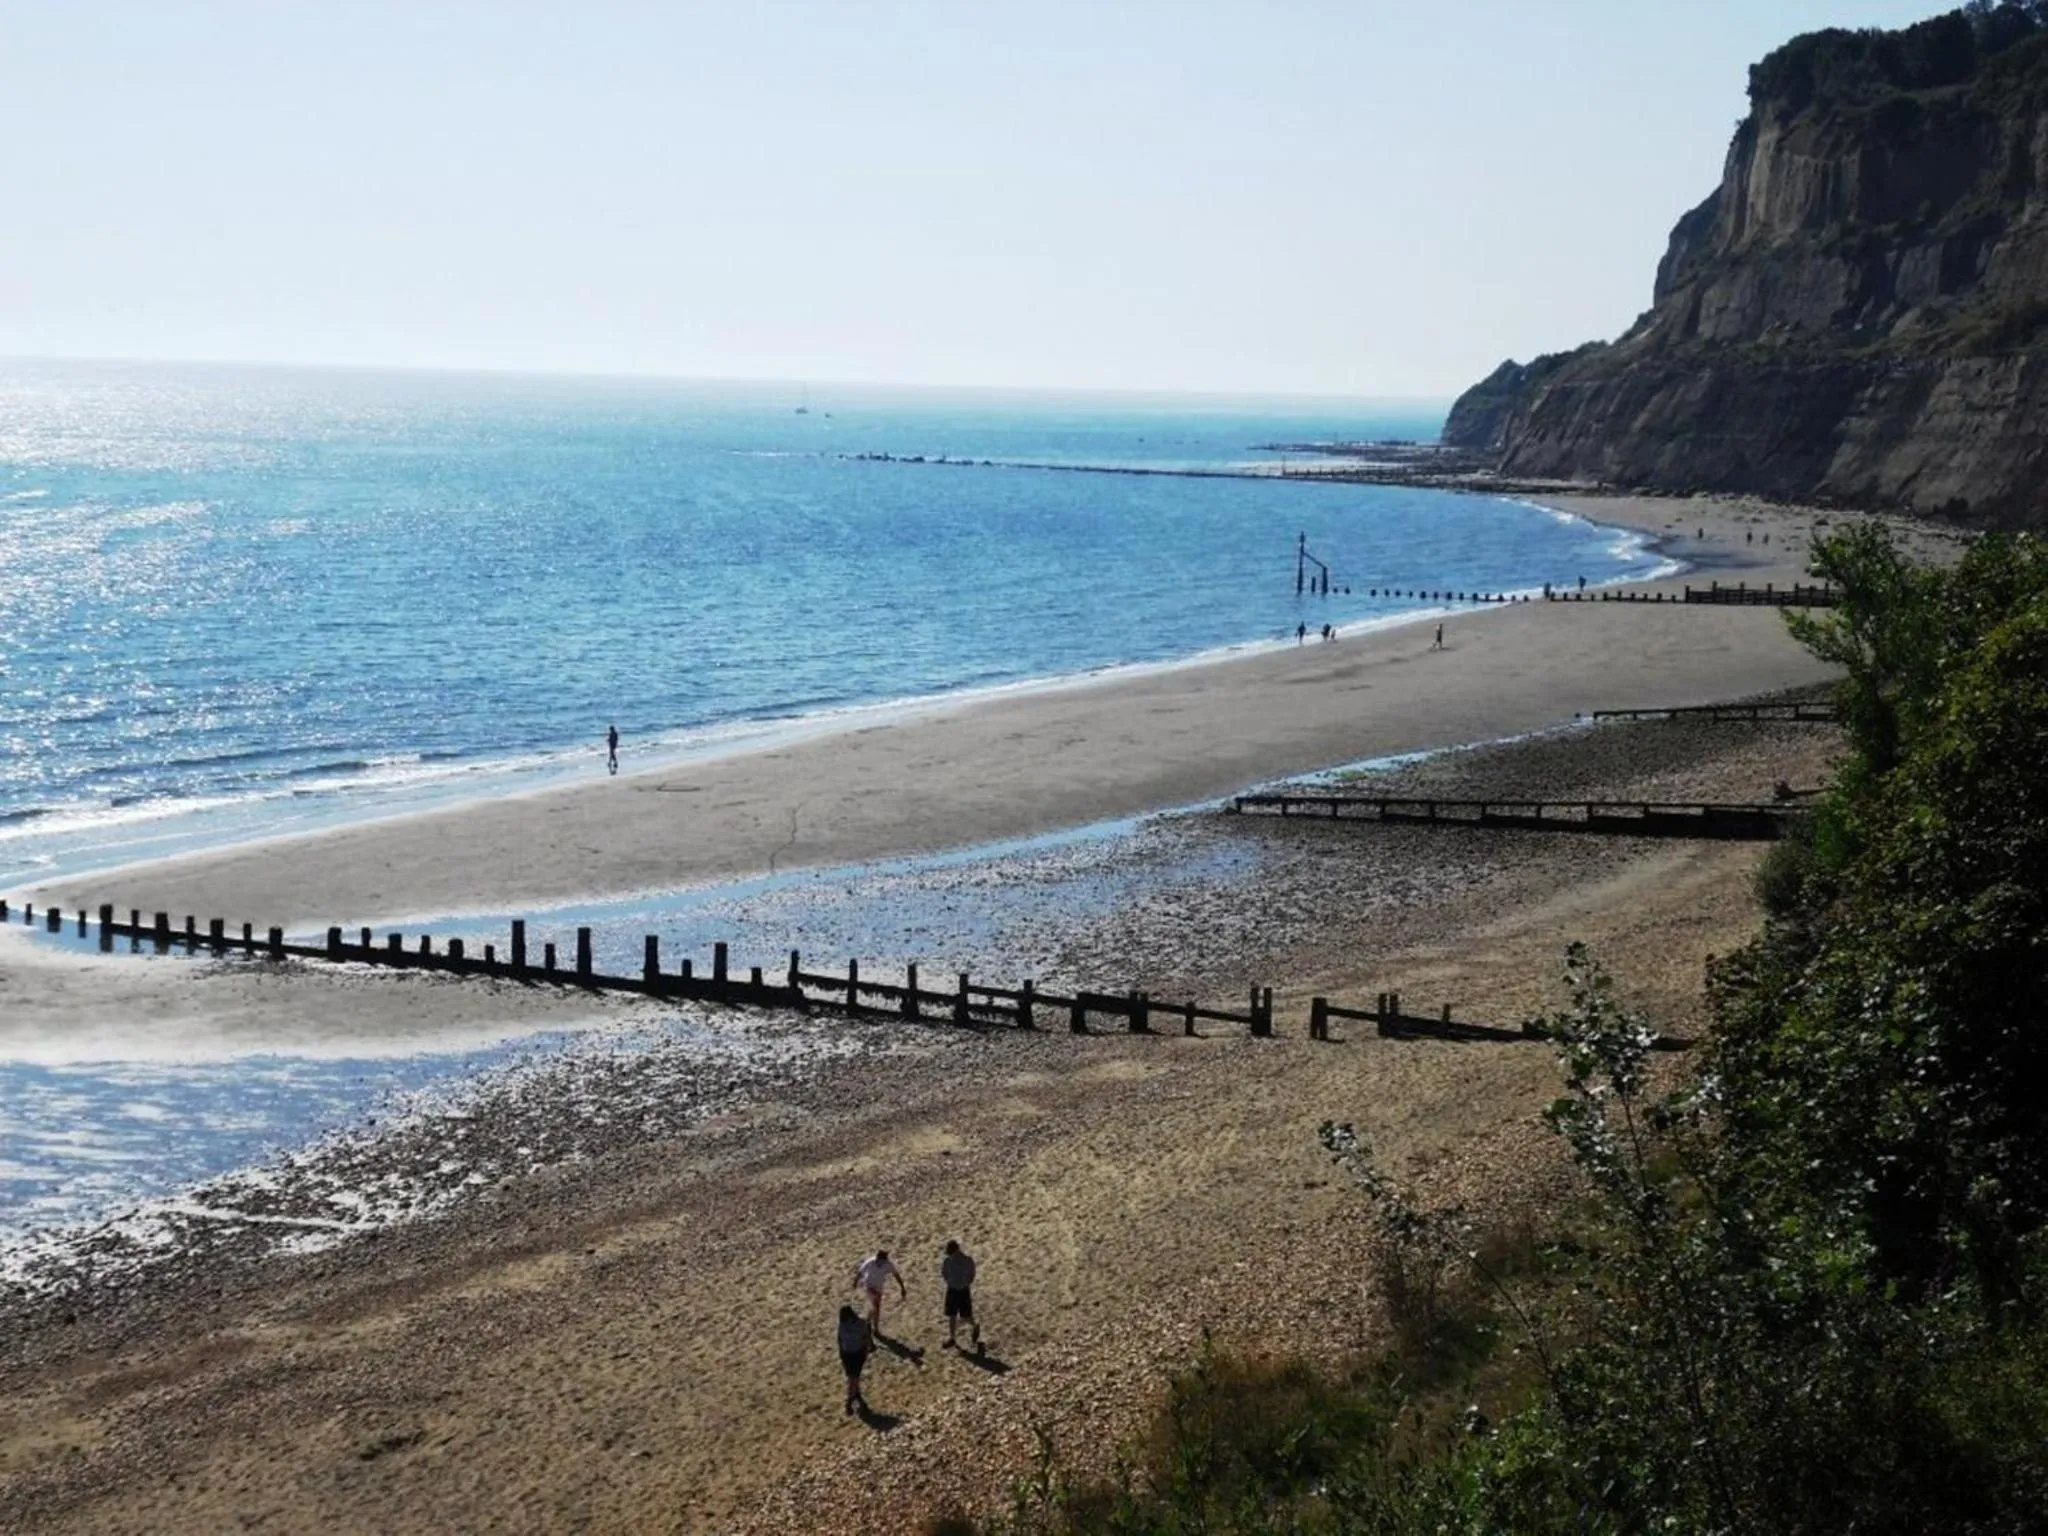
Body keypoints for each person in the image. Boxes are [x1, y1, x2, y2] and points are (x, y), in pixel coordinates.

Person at [940, 1239, 981, 1352]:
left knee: (966, 1315)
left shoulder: (967, 1260)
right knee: (952, 1315)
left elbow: (971, 1274)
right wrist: (951, 1282)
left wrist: (964, 1283)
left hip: (962, 1290)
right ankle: (952, 1338)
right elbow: (944, 1274)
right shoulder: (948, 1261)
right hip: (953, 1289)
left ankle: (975, 1326)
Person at [854, 1248, 905, 1336]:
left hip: (879, 1287)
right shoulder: (870, 1262)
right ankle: (875, 1328)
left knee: (875, 1307)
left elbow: (896, 1275)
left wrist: (902, 1287)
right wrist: (855, 1282)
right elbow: (860, 1271)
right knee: (876, 1306)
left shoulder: (888, 1264)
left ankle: (868, 1321)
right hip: (868, 1285)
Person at [837, 1303, 872, 1414]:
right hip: (857, 1354)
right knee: (854, 1379)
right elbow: (866, 1337)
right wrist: (867, 1350)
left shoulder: (842, 1325)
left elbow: (839, 1340)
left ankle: (857, 1397)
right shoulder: (860, 1323)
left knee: (852, 1378)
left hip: (846, 1354)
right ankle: (849, 1401)